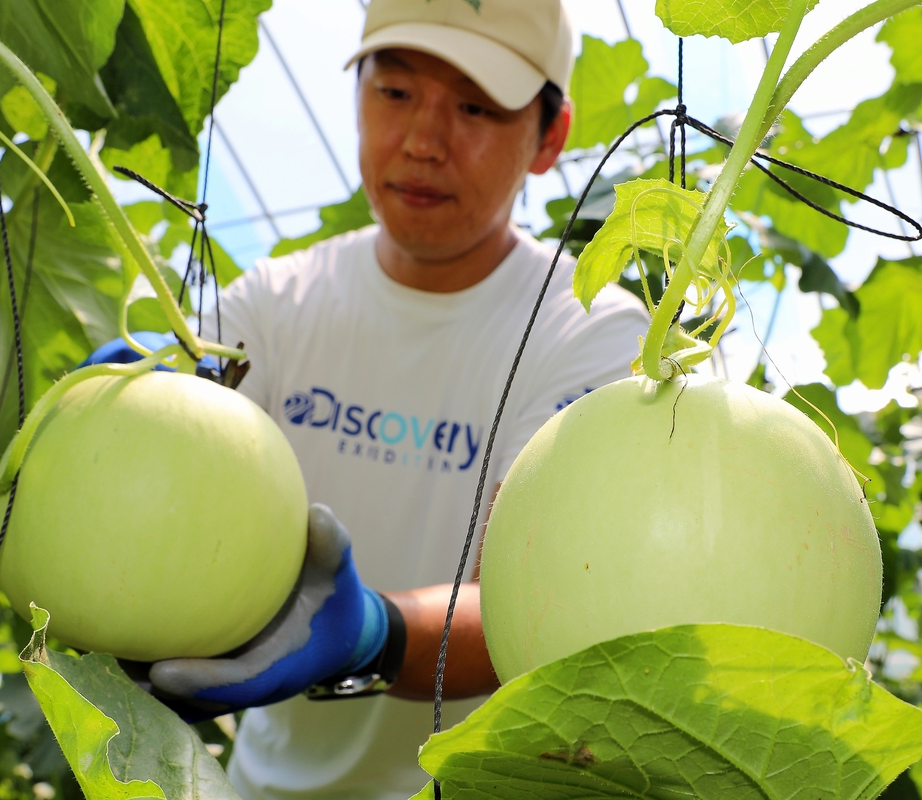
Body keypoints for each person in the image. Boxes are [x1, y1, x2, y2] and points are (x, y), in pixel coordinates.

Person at [90, 0, 649, 796]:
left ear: (549, 139)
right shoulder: (269, 308)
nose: (423, 141)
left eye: (473, 106)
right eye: (394, 93)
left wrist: (375, 636)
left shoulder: (588, 333)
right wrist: (118, 431)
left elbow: (547, 610)